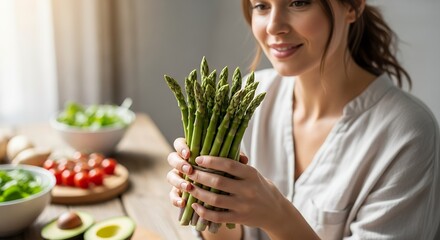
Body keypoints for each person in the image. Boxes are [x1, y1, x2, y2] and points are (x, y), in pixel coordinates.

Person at [167, 0, 440, 239]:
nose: (274, 26)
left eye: (299, 2)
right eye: (261, 5)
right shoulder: (247, 101)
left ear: (353, 6)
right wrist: (205, 199)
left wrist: (277, 216)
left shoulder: (409, 133)